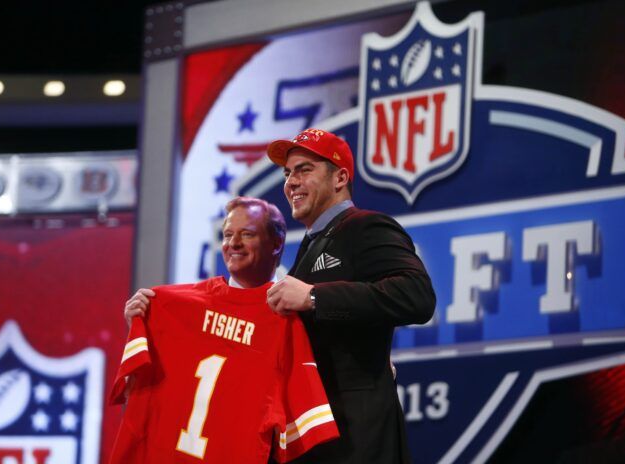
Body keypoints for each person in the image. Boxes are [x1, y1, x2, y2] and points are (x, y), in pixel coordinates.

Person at [117, 197, 339, 463]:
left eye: (247, 234)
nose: (233, 243)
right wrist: (144, 328)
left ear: (277, 244)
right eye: (227, 234)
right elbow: (135, 392)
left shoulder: (286, 321)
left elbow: (301, 441)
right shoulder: (173, 307)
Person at [264, 128, 436, 464]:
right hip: (319, 437)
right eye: (288, 173)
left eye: (304, 170)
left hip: (358, 437)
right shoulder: (311, 245)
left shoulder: (366, 227)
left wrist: (315, 298)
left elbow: (417, 295)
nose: (291, 182)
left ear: (340, 177)